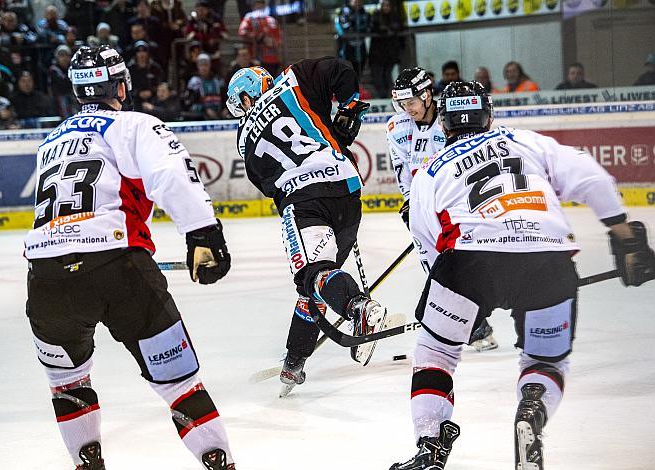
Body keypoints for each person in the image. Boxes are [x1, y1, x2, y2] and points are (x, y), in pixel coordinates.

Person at [389, 81, 655, 470]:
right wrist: (625, 236)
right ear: (490, 115)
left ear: (443, 125)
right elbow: (593, 180)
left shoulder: (432, 168)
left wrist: (452, 298)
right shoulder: (528, 142)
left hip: (467, 261)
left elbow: (426, 238)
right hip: (548, 259)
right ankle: (531, 410)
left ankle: (429, 446)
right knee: (544, 363)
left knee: (436, 354)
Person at [24, 45, 236, 470]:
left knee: (67, 383)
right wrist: (203, 232)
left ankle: (87, 462)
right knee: (181, 386)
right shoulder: (133, 124)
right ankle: (218, 462)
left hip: (46, 280)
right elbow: (172, 174)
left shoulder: (51, 141)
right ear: (120, 85)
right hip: (119, 268)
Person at [226, 59, 388, 396]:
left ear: (245, 98)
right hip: (346, 187)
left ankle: (359, 307)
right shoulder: (294, 78)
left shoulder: (243, 136)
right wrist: (349, 109)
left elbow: (266, 183)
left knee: (312, 275)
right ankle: (295, 359)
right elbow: (342, 70)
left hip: (303, 200)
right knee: (319, 281)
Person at [387, 67, 498, 352]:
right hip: (423, 203)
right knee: (434, 265)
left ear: (426, 95)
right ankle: (473, 325)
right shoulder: (397, 127)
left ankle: (477, 312)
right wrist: (410, 202)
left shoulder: (450, 120)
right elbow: (402, 169)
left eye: (410, 101)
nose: (406, 108)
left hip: (456, 199)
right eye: (401, 103)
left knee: (465, 257)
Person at [368, 0, 404, 98]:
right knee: (378, 77)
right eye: (383, 5)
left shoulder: (394, 16)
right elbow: (374, 28)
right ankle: (382, 96)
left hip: (390, 52)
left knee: (387, 75)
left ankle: (389, 96)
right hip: (377, 53)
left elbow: (399, 27)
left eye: (387, 5)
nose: (385, 8)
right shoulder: (375, 16)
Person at [237, 0, 282, 77]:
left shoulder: (271, 20)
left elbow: (279, 38)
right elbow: (242, 32)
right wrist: (258, 37)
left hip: (272, 58)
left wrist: (273, 42)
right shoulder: (249, 18)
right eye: (257, 5)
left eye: (262, 5)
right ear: (253, 6)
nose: (260, 7)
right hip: (256, 57)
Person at [335, 0, 371, 78]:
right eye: (355, 1)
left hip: (360, 47)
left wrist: (360, 29)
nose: (357, 3)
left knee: (359, 70)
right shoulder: (344, 12)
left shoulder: (364, 12)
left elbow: (368, 27)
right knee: (347, 71)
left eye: (359, 1)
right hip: (346, 47)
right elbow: (345, 27)